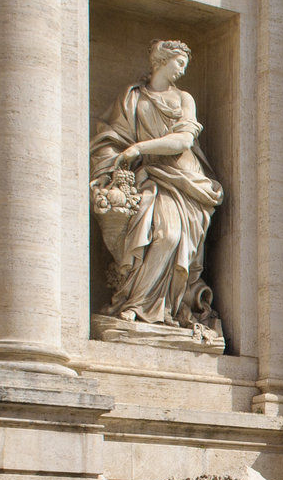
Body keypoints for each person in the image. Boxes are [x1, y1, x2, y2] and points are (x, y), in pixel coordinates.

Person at [90, 40, 224, 327]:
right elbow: (111, 137)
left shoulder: (184, 99)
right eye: (179, 63)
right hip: (147, 178)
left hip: (184, 179)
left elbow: (184, 140)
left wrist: (139, 148)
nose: (182, 69)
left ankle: (154, 307)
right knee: (149, 235)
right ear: (162, 61)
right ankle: (135, 304)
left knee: (171, 237)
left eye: (185, 65)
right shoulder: (132, 98)